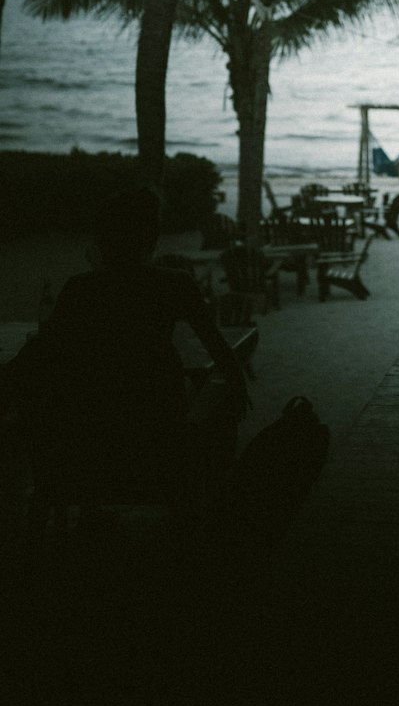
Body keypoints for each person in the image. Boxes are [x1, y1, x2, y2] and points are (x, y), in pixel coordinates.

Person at [11, 186, 250, 535]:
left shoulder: (81, 288)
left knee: (99, 393)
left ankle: (89, 509)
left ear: (102, 240)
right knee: (212, 397)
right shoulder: (174, 284)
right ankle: (194, 512)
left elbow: (41, 354)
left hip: (91, 433)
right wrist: (238, 384)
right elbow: (218, 349)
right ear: (151, 238)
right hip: (157, 425)